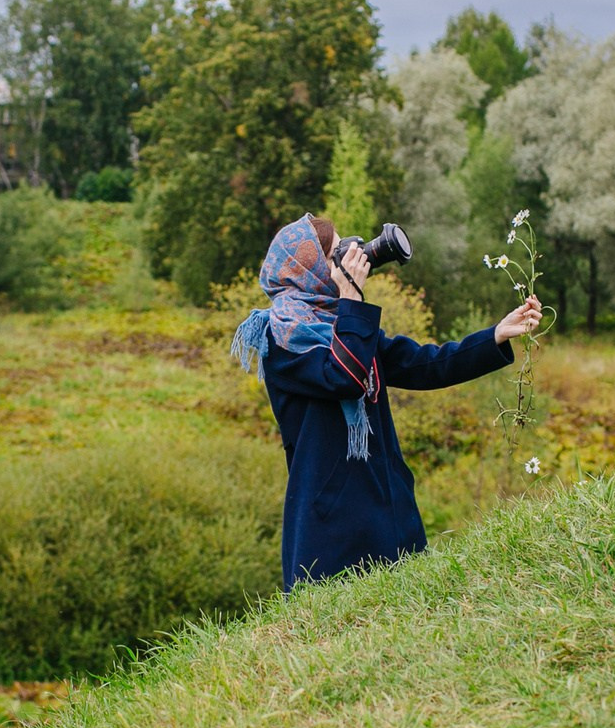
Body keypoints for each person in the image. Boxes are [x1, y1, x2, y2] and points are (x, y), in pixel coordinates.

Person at [231, 213, 543, 590]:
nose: (352, 258)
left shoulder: (346, 325)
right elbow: (344, 376)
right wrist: (352, 302)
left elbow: (426, 365)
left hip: (387, 505)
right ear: (308, 268)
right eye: (336, 254)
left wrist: (495, 335)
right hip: (331, 526)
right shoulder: (281, 339)